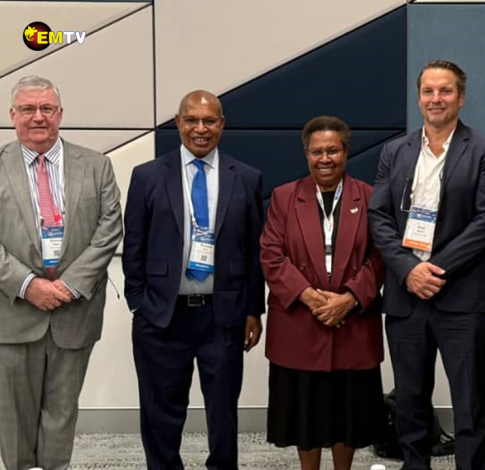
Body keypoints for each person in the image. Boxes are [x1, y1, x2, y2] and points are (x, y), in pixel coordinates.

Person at [368, 60, 485, 470]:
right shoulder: (395, 151)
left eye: (445, 91)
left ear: (460, 98)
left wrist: (434, 270)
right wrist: (408, 269)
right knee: (410, 398)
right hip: (406, 296)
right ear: (419, 98)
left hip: (462, 298)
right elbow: (378, 215)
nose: (436, 98)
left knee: (469, 401)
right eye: (428, 91)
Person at [122, 90, 264, 470]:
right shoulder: (148, 176)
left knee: (223, 412)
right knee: (160, 412)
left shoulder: (246, 177)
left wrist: (254, 309)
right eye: (192, 120)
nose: (200, 128)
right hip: (162, 316)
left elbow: (253, 250)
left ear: (222, 124)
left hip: (223, 316)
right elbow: (133, 245)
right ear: (178, 123)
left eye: (209, 120)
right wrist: (139, 302)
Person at [0, 75, 123, 470]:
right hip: (13, 313)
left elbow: (109, 231)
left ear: (60, 114)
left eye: (47, 108)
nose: (38, 117)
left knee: (62, 413)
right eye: (28, 109)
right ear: (12, 115)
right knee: (13, 418)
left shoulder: (96, 166)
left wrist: (69, 286)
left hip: (74, 312)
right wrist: (27, 285)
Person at [261, 116, 385, 470]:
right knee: (305, 415)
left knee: (348, 414)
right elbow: (271, 254)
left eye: (333, 150)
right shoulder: (285, 197)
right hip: (301, 322)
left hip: (352, 323)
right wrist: (309, 296)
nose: (325, 159)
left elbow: (381, 255)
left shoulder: (370, 196)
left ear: (346, 151)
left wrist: (349, 299)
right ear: (306, 154)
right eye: (317, 152)